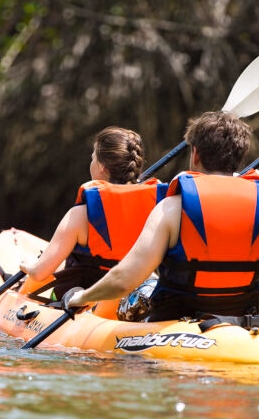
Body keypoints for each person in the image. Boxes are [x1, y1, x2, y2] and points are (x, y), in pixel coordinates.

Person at [67, 110, 259, 322]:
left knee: (142, 287)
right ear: (240, 156)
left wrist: (82, 297)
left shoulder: (171, 209)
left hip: (176, 318)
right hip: (241, 314)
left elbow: (124, 279)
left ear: (196, 155)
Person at [19, 126, 166, 318]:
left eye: (93, 158)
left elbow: (40, 273)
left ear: (102, 168)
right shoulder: (157, 210)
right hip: (128, 300)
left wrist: (29, 265)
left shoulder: (80, 215)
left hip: (79, 300)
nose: (91, 163)